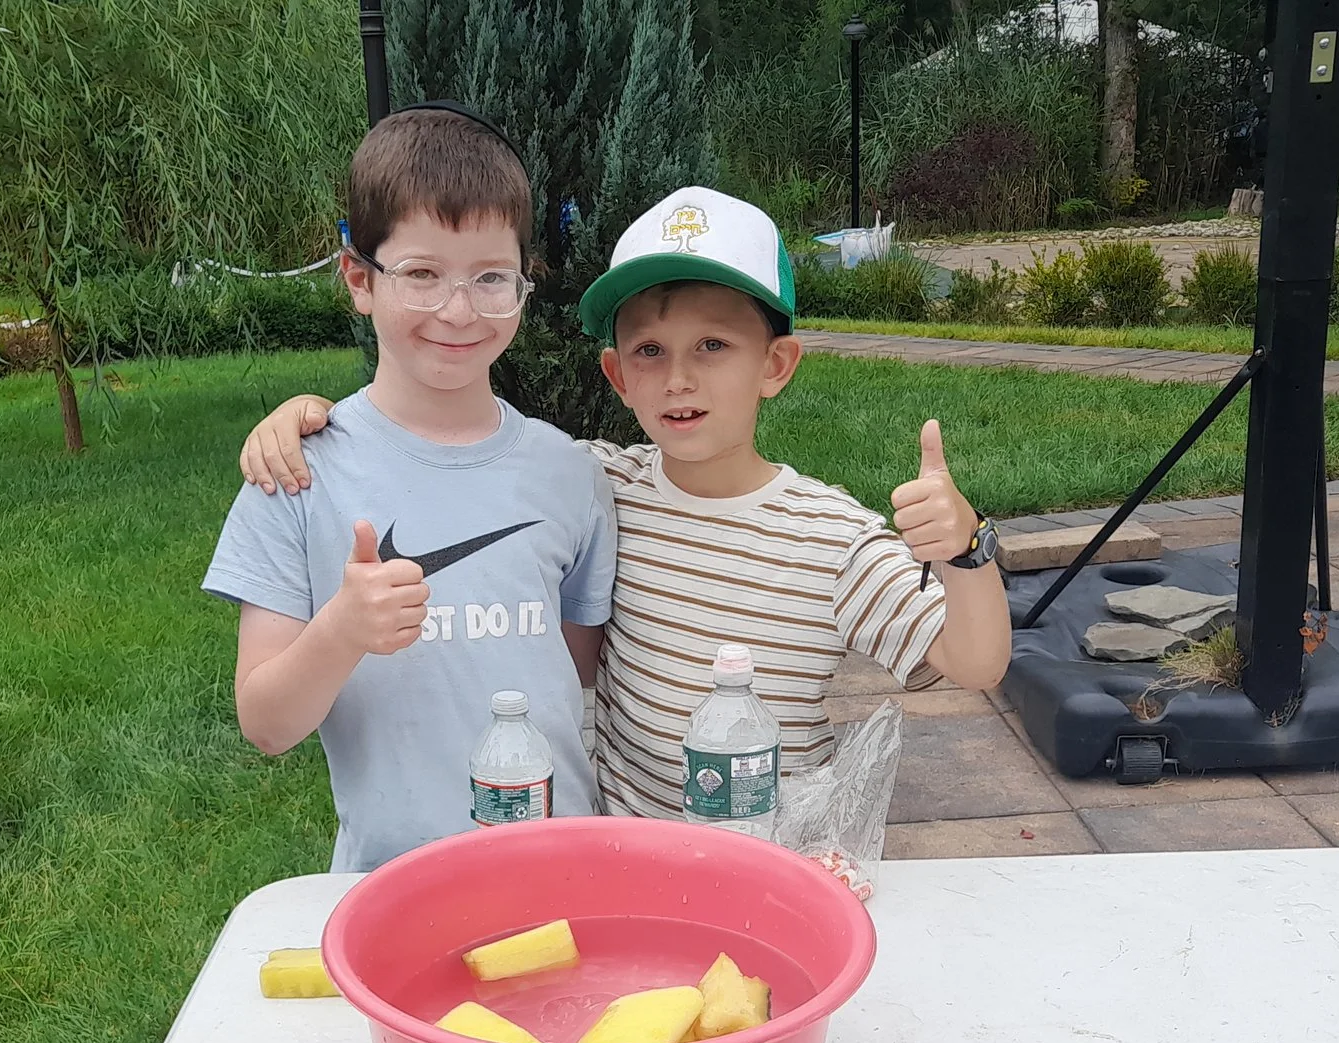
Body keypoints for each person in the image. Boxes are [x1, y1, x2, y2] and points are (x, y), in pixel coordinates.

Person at [238, 186, 1012, 821]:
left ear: (775, 364)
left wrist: (966, 550)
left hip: (767, 863)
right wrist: (321, 419)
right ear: (617, 376)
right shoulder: (596, 483)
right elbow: (472, 456)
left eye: (713, 346)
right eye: (649, 351)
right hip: (619, 862)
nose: (678, 378)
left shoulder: (832, 538)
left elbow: (975, 662)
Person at [202, 104, 616, 871]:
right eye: (421, 274)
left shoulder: (571, 474)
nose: (458, 311)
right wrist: (342, 629)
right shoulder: (294, 477)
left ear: (526, 283)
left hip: (563, 870)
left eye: (491, 277)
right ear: (358, 279)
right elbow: (264, 723)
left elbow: (572, 671)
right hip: (389, 887)